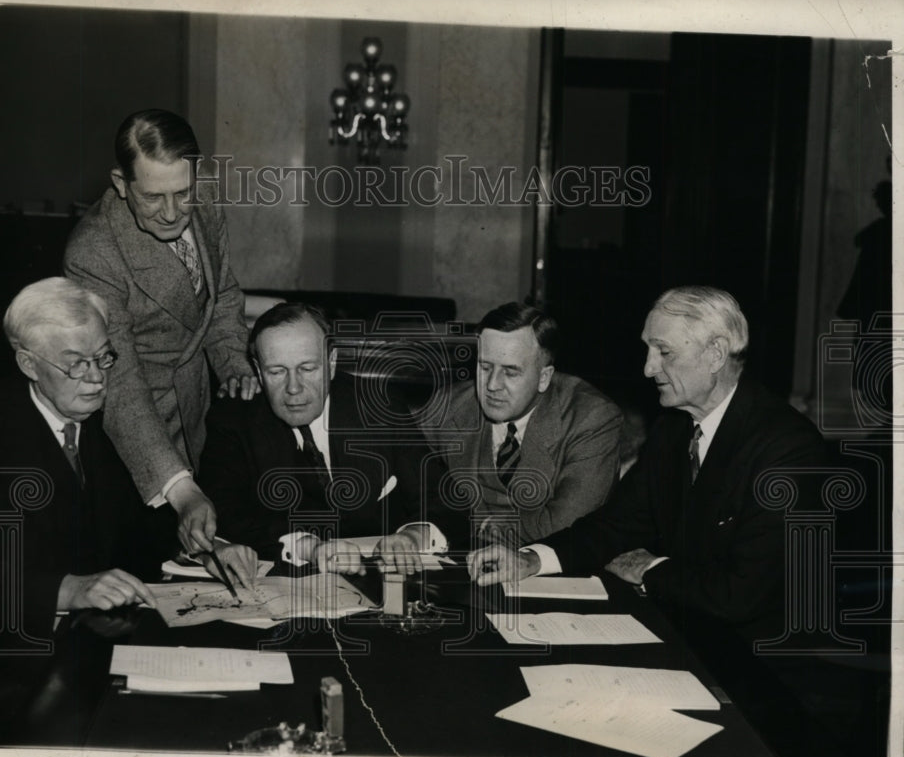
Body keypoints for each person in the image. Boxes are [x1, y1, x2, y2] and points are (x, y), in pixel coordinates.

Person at [469, 286, 825, 643]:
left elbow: (741, 595)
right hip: (686, 627)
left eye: (664, 352)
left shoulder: (788, 449)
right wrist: (532, 560)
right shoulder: (674, 428)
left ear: (715, 354)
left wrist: (650, 569)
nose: (648, 367)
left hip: (759, 660)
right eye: (648, 350)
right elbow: (616, 524)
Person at [0, 277, 177, 743]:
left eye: (103, 357)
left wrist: (204, 543)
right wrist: (68, 589)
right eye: (77, 364)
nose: (97, 378)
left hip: (78, 642)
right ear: (28, 363)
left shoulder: (85, 418)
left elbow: (126, 529)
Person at [64, 109, 256, 556]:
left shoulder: (200, 202)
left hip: (199, 416)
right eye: (152, 198)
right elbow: (122, 383)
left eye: (182, 193)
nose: (173, 213)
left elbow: (221, 292)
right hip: (133, 445)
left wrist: (233, 364)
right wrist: (181, 490)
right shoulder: (93, 253)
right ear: (120, 183)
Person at [199, 302, 468, 577]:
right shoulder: (234, 420)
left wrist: (413, 537)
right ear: (257, 370)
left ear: (332, 362)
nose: (293, 388)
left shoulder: (379, 406)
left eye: (307, 368)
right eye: (277, 372)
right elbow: (221, 518)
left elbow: (445, 499)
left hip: (384, 589)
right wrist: (306, 547)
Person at [427, 302, 622, 544]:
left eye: (510, 372)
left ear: (544, 378)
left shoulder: (591, 419)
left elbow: (570, 524)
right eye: (485, 367)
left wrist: (481, 525)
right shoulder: (448, 407)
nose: (492, 385)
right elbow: (410, 494)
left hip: (551, 568)